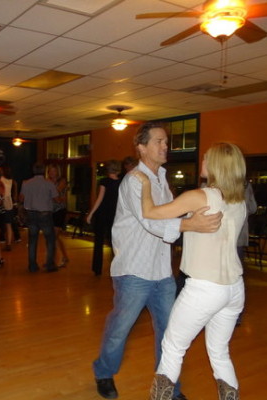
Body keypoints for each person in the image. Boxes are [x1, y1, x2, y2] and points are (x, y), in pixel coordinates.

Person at [92, 122, 222, 400]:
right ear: (141, 147)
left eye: (166, 141)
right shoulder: (134, 181)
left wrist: (191, 220)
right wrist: (190, 226)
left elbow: (170, 215)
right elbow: (151, 221)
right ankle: (104, 372)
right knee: (120, 329)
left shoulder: (162, 178)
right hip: (134, 272)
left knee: (169, 334)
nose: (166, 146)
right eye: (159, 141)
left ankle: (170, 389)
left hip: (162, 272)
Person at [132, 143, 247, 400]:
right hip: (234, 289)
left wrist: (147, 186)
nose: (202, 160)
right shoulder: (238, 200)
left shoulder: (200, 196)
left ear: (217, 165)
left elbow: (150, 213)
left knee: (172, 347)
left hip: (205, 289)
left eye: (206, 157)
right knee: (219, 351)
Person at [19, 163, 59, 273]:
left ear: (33, 170)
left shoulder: (26, 183)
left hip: (31, 214)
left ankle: (32, 265)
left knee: (32, 241)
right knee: (50, 240)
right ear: (44, 171)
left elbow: (21, 199)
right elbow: (56, 198)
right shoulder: (49, 183)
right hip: (45, 214)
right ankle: (49, 264)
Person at [86, 159, 121, 276]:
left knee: (99, 241)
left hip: (102, 214)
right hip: (114, 215)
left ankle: (97, 269)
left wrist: (91, 213)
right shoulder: (121, 183)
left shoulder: (104, 181)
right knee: (114, 243)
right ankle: (117, 268)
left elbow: (99, 199)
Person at [47, 163, 69, 267]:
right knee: (56, 237)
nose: (52, 172)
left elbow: (55, 192)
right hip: (50, 211)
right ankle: (64, 256)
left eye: (54, 170)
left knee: (53, 236)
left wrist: (56, 198)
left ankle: (55, 260)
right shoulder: (47, 181)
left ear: (57, 172)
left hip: (59, 210)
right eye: (50, 170)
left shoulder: (62, 180)